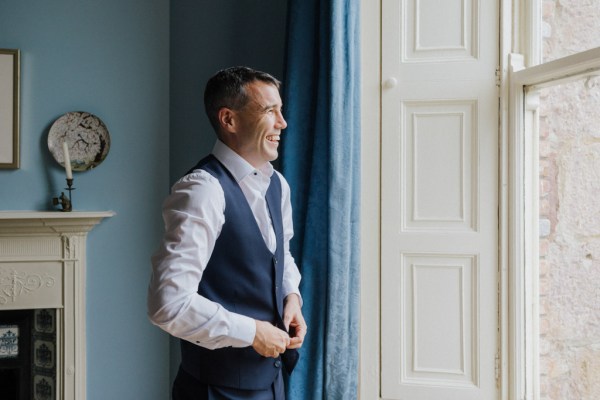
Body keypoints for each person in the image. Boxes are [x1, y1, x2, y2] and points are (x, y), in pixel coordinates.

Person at [147, 66, 307, 400]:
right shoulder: (202, 191)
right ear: (229, 120)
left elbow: (282, 255)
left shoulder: (277, 183)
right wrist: (252, 332)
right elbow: (169, 304)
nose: (283, 122)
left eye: (281, 110)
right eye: (269, 111)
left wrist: (292, 297)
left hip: (271, 384)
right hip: (216, 391)